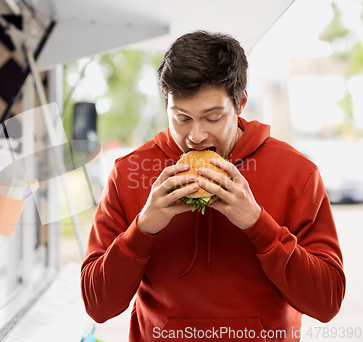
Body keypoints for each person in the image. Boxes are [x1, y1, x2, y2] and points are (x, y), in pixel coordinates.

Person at [80, 31, 345, 342]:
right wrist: (143, 227)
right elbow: (98, 306)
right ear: (167, 105)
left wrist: (258, 224)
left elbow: (327, 303)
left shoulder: (297, 173)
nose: (195, 136)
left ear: (241, 103)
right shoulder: (128, 173)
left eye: (212, 117)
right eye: (181, 117)